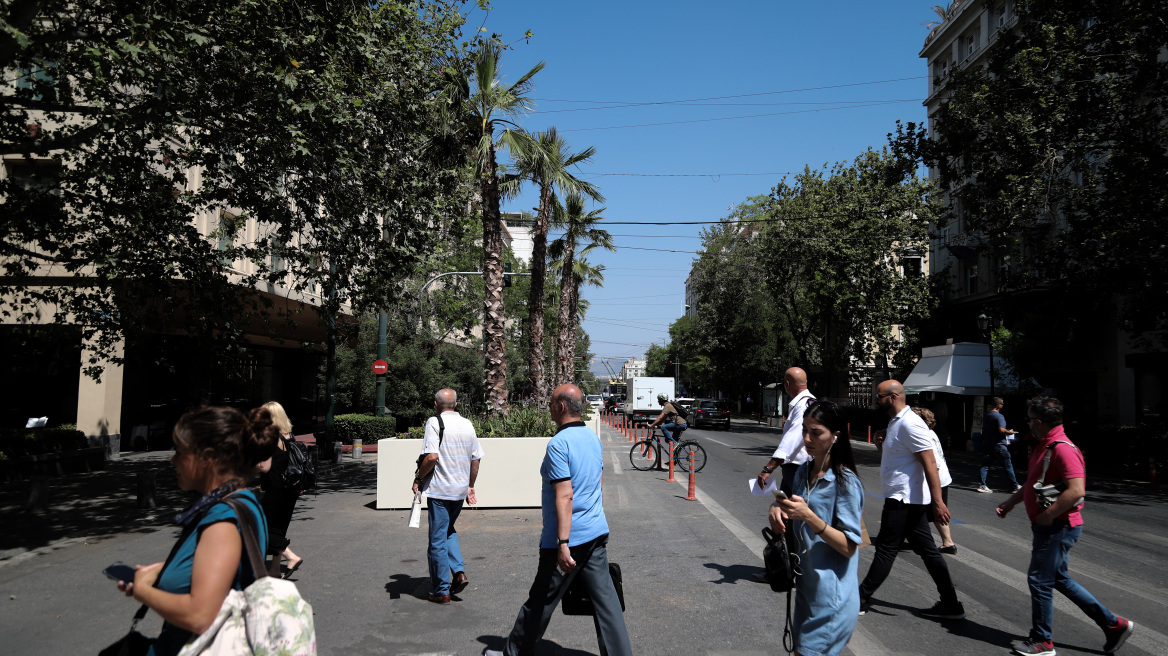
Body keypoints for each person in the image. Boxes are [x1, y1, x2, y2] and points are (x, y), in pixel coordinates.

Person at [114, 405, 277, 656]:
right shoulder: (240, 501)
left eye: (180, 452)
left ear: (207, 458)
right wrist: (163, 571)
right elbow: (224, 571)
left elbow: (200, 615)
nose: (172, 460)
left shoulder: (224, 519)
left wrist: (142, 591)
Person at [485, 384, 632, 656]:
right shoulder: (591, 437)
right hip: (595, 532)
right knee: (607, 603)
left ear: (561, 407)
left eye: (551, 402)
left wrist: (563, 543)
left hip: (566, 540)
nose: (549, 407)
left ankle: (512, 653)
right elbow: (596, 482)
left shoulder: (558, 444)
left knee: (541, 599)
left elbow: (565, 495)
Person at [995, 396, 1134, 656]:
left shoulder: (1062, 448)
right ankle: (1114, 625)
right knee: (1057, 579)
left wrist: (1049, 515)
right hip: (1051, 526)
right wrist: (1011, 502)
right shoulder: (1045, 445)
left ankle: (1042, 641)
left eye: (1029, 419)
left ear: (1038, 422)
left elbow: (1077, 490)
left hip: (1058, 527)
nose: (1027, 424)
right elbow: (1035, 483)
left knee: (1039, 580)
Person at [857, 380, 965, 620]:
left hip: (904, 500)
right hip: (906, 499)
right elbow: (899, 460)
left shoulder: (910, 423)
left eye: (879, 395)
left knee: (885, 550)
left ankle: (861, 597)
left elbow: (930, 463)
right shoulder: (896, 422)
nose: (876, 399)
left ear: (894, 397)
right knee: (929, 552)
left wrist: (937, 502)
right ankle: (951, 604)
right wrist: (880, 444)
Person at [768, 400, 864, 656]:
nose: (807, 438)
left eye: (816, 432)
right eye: (804, 430)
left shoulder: (845, 483)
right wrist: (777, 508)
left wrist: (810, 518)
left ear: (836, 436)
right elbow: (791, 505)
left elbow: (849, 547)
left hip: (832, 598)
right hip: (806, 589)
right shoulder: (802, 472)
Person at [413, 388, 483, 604]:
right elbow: (476, 459)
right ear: (456, 404)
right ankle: (459, 572)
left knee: (436, 539)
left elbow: (432, 457)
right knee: (448, 530)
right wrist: (470, 485)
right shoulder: (467, 424)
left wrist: (418, 477)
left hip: (440, 491)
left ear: (435, 404)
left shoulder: (434, 422)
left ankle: (442, 590)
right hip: (459, 491)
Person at [256, 401, 304, 578]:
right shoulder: (288, 435)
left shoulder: (269, 436)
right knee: (279, 528)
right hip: (290, 488)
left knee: (261, 526)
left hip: (275, 488)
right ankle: (275, 569)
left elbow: (264, 467)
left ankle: (290, 557)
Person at [757, 367, 816, 496]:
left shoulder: (802, 406)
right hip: (798, 469)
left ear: (787, 384)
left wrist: (769, 468)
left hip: (799, 470)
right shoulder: (807, 402)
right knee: (784, 509)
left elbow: (792, 439)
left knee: (794, 512)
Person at [913, 407, 957, 555]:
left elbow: (934, 463)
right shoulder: (930, 433)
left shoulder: (925, 436)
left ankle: (934, 543)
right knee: (937, 513)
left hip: (936, 479)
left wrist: (933, 484)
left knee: (929, 511)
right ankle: (948, 542)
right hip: (941, 479)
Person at [979, 397, 1021, 493]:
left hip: (987, 444)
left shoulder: (987, 415)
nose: (1002, 405)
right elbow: (1001, 430)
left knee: (985, 465)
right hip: (999, 445)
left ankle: (981, 485)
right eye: (1002, 404)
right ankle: (1015, 487)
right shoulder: (999, 416)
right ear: (998, 405)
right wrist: (1009, 432)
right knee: (1007, 465)